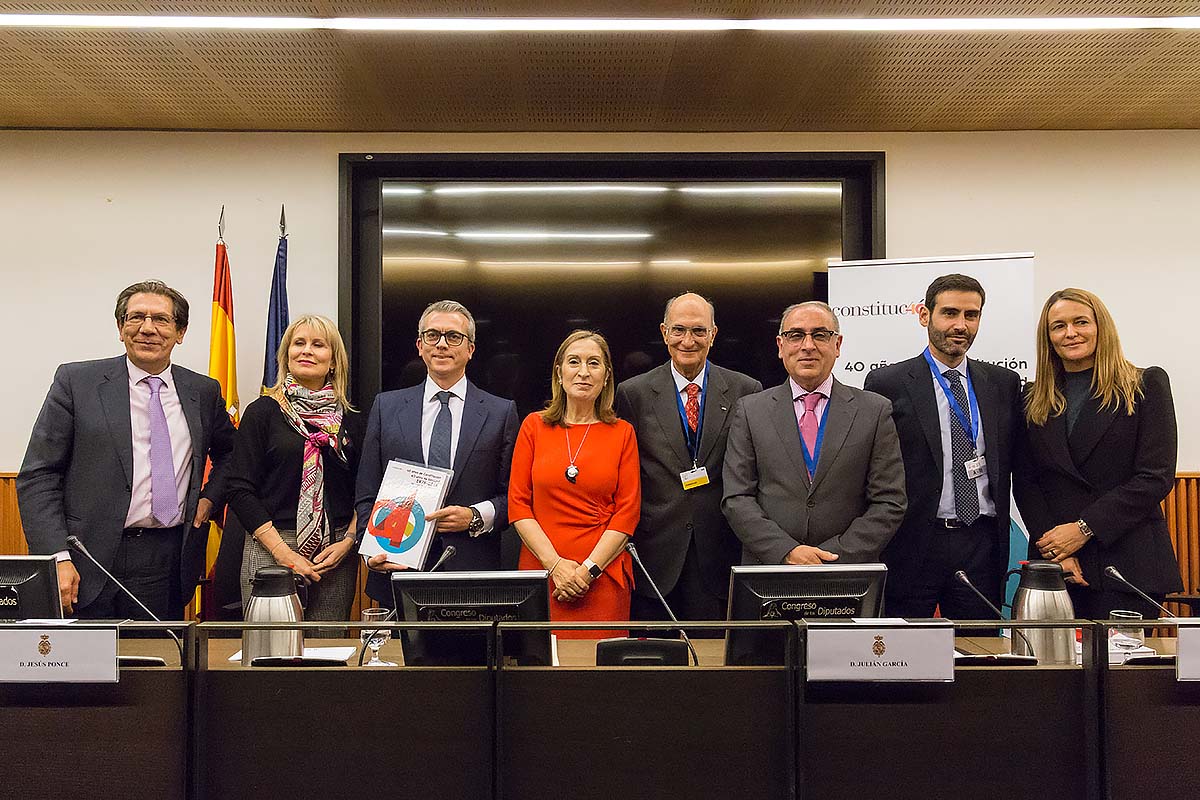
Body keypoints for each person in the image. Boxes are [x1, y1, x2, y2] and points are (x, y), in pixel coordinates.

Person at [17, 280, 235, 619]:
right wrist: (56, 557)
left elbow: (232, 453)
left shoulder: (202, 392)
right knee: (83, 669)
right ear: (121, 329)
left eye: (161, 319)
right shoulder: (77, 383)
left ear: (180, 332)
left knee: (159, 667)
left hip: (168, 560)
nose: (147, 328)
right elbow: (38, 475)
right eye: (136, 318)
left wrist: (209, 498)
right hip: (84, 559)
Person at [1014, 288, 1180, 619]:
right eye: (1058, 326)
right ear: (1048, 337)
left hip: (1125, 562)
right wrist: (1056, 551)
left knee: (1121, 669)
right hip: (1056, 567)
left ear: (1100, 327)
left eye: (1080, 322)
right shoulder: (1030, 397)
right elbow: (1026, 481)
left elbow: (1155, 477)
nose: (1070, 333)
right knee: (1049, 670)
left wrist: (1083, 528)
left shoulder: (1145, 385)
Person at [864, 275, 1023, 619]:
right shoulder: (887, 383)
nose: (960, 325)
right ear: (924, 315)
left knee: (980, 653)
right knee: (905, 653)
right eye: (949, 313)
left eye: (971, 315)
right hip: (916, 539)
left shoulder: (1002, 383)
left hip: (982, 541)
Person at [355, 300, 519, 606]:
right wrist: (370, 550)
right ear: (420, 346)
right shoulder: (386, 408)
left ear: (470, 349)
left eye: (453, 337)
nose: (442, 344)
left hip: (473, 574)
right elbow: (367, 491)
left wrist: (474, 516)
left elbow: (514, 497)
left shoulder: (500, 413)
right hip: (397, 571)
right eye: (433, 335)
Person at [614, 292, 761, 624]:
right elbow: (628, 473)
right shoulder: (632, 393)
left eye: (698, 331)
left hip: (720, 551)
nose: (688, 340)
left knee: (713, 665)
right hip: (655, 555)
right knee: (654, 665)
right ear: (665, 332)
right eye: (679, 330)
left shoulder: (746, 391)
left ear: (713, 334)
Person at [722, 301, 906, 567]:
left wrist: (832, 555)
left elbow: (889, 501)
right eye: (796, 335)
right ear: (780, 346)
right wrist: (786, 551)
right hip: (771, 569)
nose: (808, 345)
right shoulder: (751, 411)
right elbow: (737, 497)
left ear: (838, 345)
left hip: (848, 571)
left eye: (820, 335)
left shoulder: (874, 411)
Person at [227, 315, 364, 620]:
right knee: (270, 652)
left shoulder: (352, 420)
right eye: (298, 343)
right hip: (271, 546)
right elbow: (238, 488)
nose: (306, 351)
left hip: (336, 552)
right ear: (286, 355)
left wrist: (349, 541)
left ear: (333, 361)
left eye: (318, 344)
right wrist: (283, 553)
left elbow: (366, 489)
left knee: (327, 654)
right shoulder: (262, 412)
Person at [509, 330, 641, 637]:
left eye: (594, 363)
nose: (583, 372)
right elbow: (518, 504)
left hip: (602, 577)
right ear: (559, 372)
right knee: (537, 676)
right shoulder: (533, 426)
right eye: (574, 362)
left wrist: (586, 572)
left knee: (599, 677)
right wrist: (555, 566)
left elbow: (627, 512)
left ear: (607, 376)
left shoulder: (622, 433)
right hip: (542, 575)